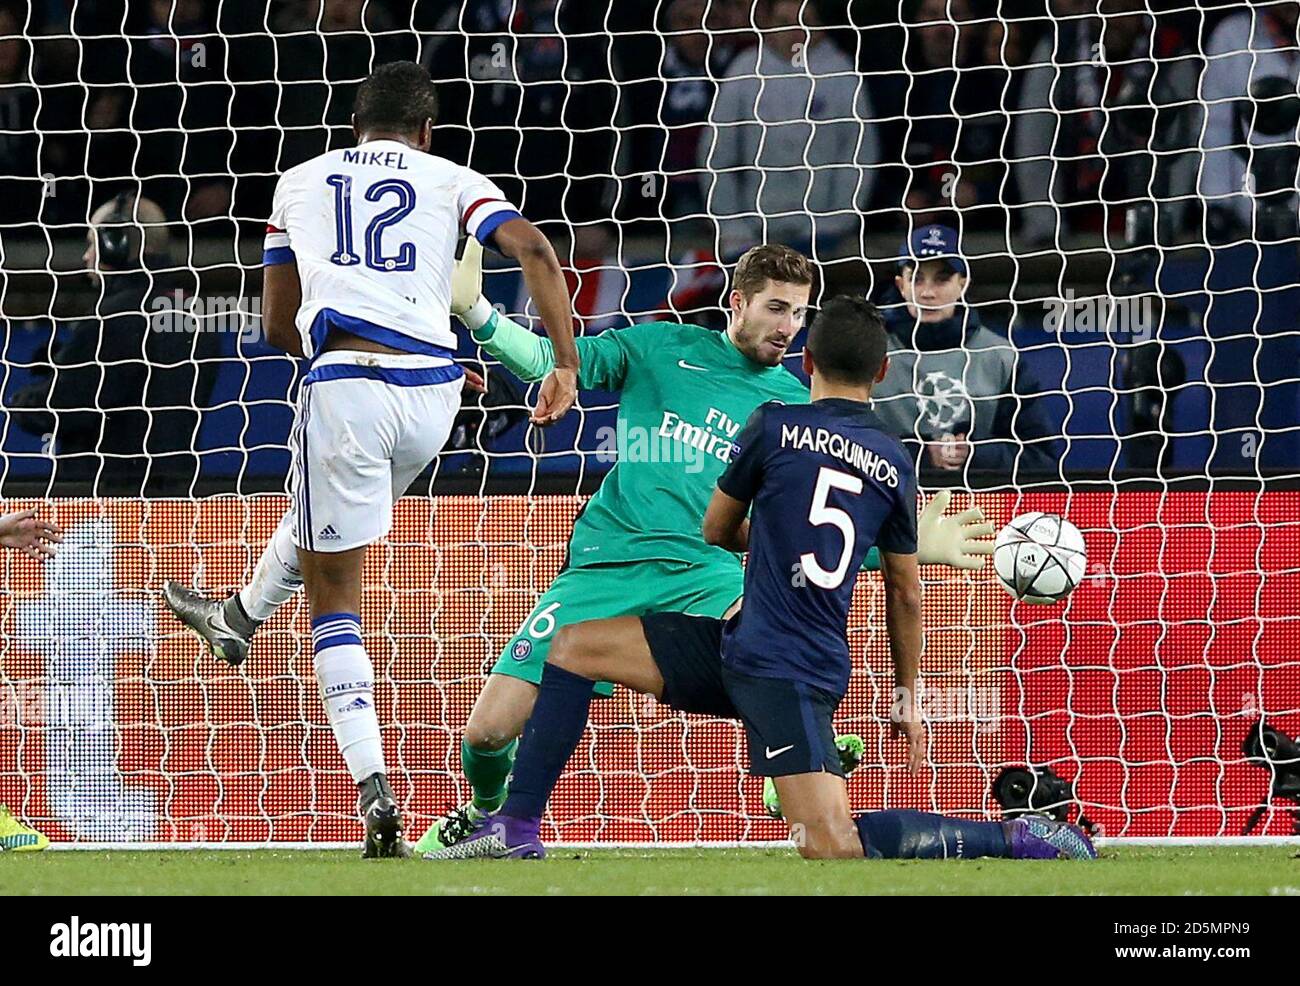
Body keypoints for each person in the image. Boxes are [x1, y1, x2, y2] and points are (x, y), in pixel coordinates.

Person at [429, 296, 1096, 861]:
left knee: (830, 843)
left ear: (806, 362)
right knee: (574, 645)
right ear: (885, 371)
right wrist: (907, 693)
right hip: (757, 648)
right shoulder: (893, 461)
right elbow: (905, 591)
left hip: (779, 665)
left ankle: (1016, 838)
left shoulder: (772, 425)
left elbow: (717, 531)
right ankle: (515, 826)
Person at [160, 61, 579, 858]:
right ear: (427, 131)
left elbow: (280, 324)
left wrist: (342, 353)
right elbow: (538, 253)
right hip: (435, 394)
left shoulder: (296, 183)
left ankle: (372, 788)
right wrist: (561, 361)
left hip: (348, 385)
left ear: (354, 125)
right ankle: (237, 617)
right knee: (325, 526)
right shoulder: (454, 177)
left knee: (334, 586)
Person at [9, 192, 207, 495]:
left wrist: (21, 401)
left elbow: (63, 407)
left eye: (92, 243)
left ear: (116, 244)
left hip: (110, 501)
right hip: (179, 497)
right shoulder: (195, 315)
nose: (86, 257)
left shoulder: (114, 317)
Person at [870, 225, 1058, 482]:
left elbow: (1041, 459)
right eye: (917, 278)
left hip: (985, 509)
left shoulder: (1000, 356)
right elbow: (847, 449)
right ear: (901, 285)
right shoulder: (869, 353)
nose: (927, 292)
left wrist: (974, 454)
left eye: (942, 278)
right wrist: (922, 456)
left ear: (963, 283)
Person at [700, 0, 879, 259]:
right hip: (753, 231)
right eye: (785, 22)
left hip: (825, 236)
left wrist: (838, 220)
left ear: (821, 27)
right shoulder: (744, 71)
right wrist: (731, 225)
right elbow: (717, 155)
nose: (797, 31)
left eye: (806, 21)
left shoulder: (843, 75)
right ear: (769, 26)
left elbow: (858, 154)